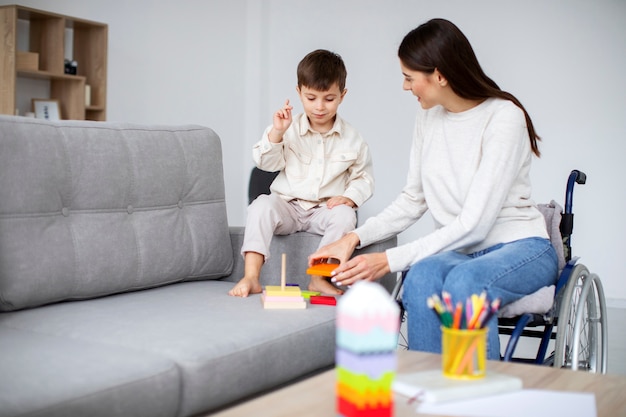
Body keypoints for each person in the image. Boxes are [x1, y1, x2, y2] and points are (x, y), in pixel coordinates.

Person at [308, 19, 558, 360]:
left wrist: (386, 261)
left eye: (410, 77)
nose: (405, 86)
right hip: (463, 253)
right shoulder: (428, 118)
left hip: (520, 249)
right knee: (421, 277)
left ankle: (480, 401)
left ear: (439, 76)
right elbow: (413, 199)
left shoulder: (503, 118)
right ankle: (427, 394)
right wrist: (352, 239)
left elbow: (475, 224)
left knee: (465, 283)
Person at [229, 49, 374, 298]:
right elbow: (265, 162)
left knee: (345, 216)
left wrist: (350, 198)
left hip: (324, 210)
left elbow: (364, 178)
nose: (319, 107)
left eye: (329, 99)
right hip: (288, 206)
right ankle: (251, 276)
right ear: (299, 93)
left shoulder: (353, 139)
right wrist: (277, 132)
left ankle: (318, 279)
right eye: (311, 98)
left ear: (342, 96)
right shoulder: (288, 128)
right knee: (260, 206)